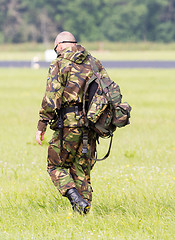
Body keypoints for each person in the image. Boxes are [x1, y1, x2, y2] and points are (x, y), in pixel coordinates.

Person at [35, 31, 111, 214]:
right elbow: (107, 92)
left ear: (60, 45)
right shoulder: (94, 63)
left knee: (55, 166)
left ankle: (75, 198)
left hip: (68, 126)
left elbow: (51, 99)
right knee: (82, 170)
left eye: (56, 49)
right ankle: (83, 211)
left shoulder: (59, 64)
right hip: (91, 125)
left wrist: (41, 125)